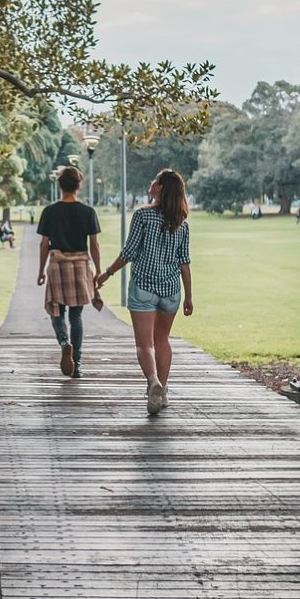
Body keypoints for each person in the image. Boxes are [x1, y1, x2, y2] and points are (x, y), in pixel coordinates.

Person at [96, 169, 193, 415]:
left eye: (155, 180)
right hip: (171, 289)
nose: (151, 182)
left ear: (160, 188)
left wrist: (107, 273)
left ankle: (153, 382)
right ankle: (165, 391)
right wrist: (189, 296)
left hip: (144, 287)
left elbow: (128, 252)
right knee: (162, 340)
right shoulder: (182, 223)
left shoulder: (142, 216)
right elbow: (184, 262)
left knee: (144, 344)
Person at [37, 167, 100, 379]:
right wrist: (98, 271)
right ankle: (78, 363)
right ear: (79, 186)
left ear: (60, 186)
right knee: (76, 315)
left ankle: (64, 343)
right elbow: (95, 245)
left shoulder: (49, 212)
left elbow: (44, 244)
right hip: (80, 266)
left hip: (57, 266)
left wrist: (41, 271)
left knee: (56, 311)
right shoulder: (88, 212)